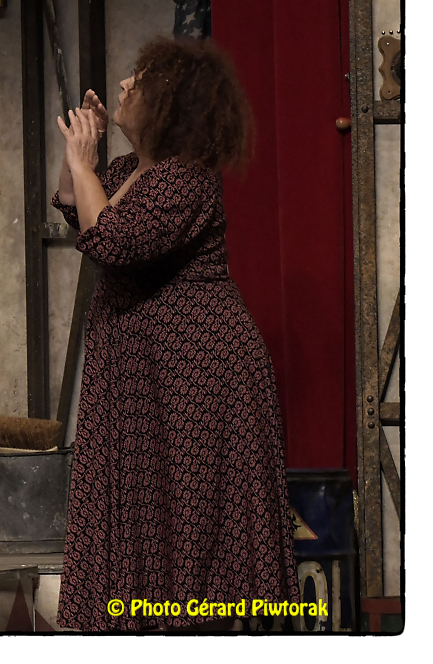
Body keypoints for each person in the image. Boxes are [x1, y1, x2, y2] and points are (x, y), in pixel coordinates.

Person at [52, 37, 298, 632]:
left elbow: (111, 241)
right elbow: (73, 208)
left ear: (168, 105)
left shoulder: (184, 178)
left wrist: (84, 165)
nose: (124, 84)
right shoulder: (130, 172)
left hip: (196, 373)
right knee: (147, 508)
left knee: (194, 511)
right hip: (145, 374)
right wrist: (81, 156)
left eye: (138, 80)